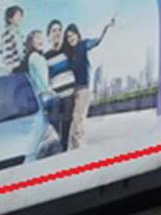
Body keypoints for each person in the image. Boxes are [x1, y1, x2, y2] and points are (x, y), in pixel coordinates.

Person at [63, 17, 115, 150]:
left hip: (84, 88)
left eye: (72, 35)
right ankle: (74, 145)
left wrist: (106, 27)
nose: (71, 38)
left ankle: (77, 145)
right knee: (75, 118)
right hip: (74, 90)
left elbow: (97, 41)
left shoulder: (83, 45)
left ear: (77, 34)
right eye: (68, 37)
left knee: (78, 117)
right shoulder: (69, 53)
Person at [21, 29, 61, 159]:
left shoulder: (39, 57)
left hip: (44, 94)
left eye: (41, 38)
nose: (40, 40)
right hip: (43, 95)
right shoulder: (33, 57)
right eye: (36, 38)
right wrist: (49, 90)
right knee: (51, 129)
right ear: (31, 42)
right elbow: (39, 78)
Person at [44, 19, 77, 150]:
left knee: (67, 128)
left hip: (70, 94)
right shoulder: (45, 56)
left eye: (59, 30)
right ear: (49, 35)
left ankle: (65, 150)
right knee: (56, 129)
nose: (57, 33)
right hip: (55, 97)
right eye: (54, 30)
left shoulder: (67, 51)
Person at [0, 6, 25, 73]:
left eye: (21, 15)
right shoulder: (7, 34)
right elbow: (6, 53)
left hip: (22, 67)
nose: (20, 18)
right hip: (15, 69)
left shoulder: (19, 34)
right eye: (18, 15)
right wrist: (10, 68)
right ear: (10, 18)